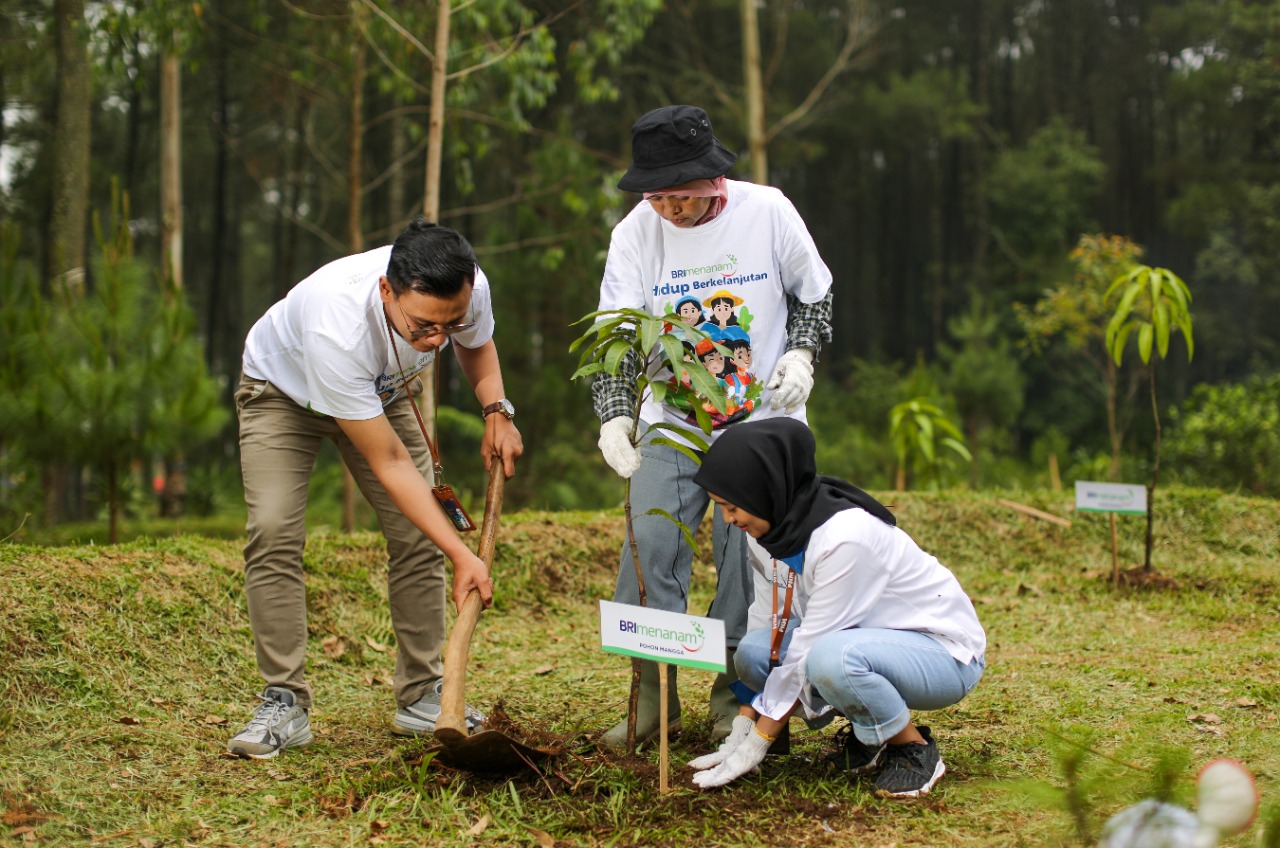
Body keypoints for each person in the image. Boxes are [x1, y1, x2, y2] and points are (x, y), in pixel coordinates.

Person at [227, 218, 523, 759]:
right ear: (387, 290)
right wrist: (462, 555)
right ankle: (284, 698)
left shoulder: (466, 286)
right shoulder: (334, 326)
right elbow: (388, 462)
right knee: (273, 530)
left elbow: (477, 345)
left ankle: (420, 695)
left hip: (380, 390)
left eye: (448, 324)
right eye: (422, 327)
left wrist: (495, 410)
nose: (436, 340)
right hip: (282, 394)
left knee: (416, 535)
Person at [592, 104, 834, 748]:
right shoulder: (634, 234)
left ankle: (735, 699)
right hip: (672, 421)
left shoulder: (769, 211)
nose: (670, 209)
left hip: (758, 423)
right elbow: (616, 336)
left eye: (683, 195)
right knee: (649, 546)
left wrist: (801, 353)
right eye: (658, 195)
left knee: (744, 566)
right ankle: (654, 702)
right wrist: (616, 417)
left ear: (713, 179)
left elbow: (815, 293)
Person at [685, 418, 986, 798]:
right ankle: (870, 736)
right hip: (862, 640)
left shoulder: (844, 539)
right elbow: (770, 625)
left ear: (762, 490)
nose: (728, 520)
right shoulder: (767, 533)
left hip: (943, 653)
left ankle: (912, 749)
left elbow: (809, 648)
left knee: (831, 659)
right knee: (755, 652)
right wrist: (741, 727)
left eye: (731, 507)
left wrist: (757, 743)